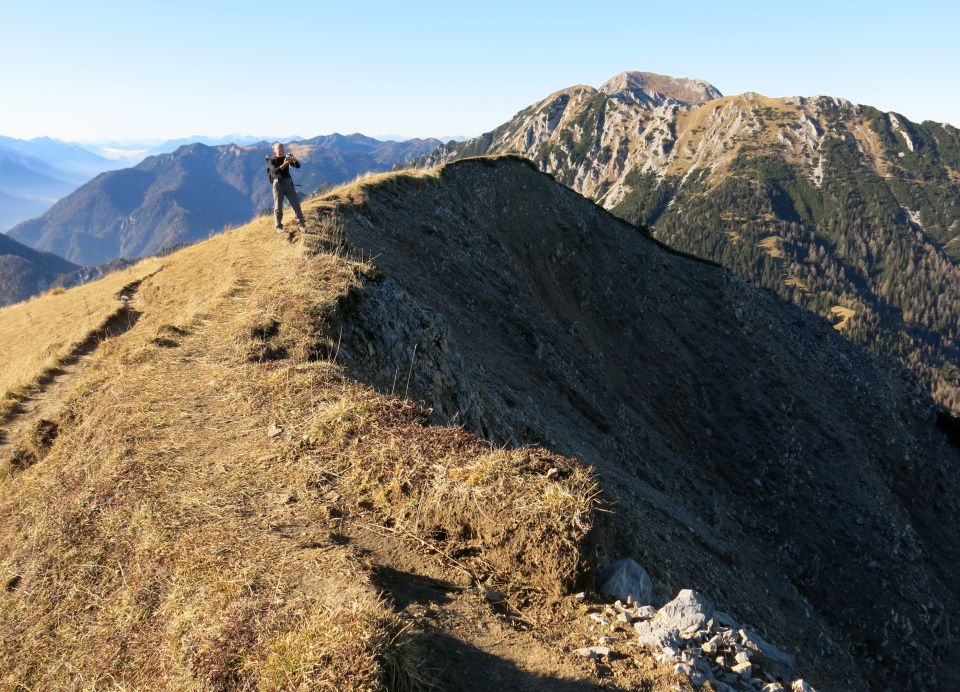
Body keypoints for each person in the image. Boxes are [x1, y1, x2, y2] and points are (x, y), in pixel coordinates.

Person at [267, 143, 306, 232]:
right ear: (274, 150)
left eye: (282, 148)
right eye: (279, 148)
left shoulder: (286, 158)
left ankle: (301, 224)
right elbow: (274, 171)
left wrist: (293, 158)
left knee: (296, 204)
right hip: (278, 184)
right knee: (278, 207)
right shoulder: (272, 160)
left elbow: (297, 166)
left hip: (288, 182)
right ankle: (278, 226)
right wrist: (285, 164)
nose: (281, 150)